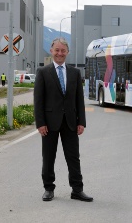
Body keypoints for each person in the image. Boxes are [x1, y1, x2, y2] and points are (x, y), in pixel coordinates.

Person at [34, 37, 92, 202]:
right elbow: (38, 100)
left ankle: (77, 190)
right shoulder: (43, 72)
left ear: (67, 52)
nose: (60, 53)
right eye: (57, 50)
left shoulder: (75, 73)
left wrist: (81, 122)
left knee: (73, 157)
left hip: (71, 122)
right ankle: (48, 188)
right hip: (49, 123)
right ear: (52, 51)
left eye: (63, 50)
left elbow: (79, 100)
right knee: (49, 156)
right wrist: (40, 123)